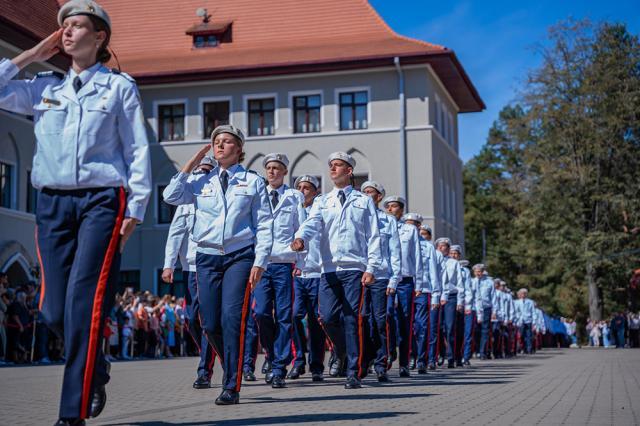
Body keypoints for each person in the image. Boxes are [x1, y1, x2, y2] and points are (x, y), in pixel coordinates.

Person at [0, 0, 152, 422]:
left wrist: (135, 209)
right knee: (52, 310)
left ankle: (72, 412)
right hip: (51, 202)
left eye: (77, 25)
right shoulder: (44, 87)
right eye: (63, 27)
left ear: (99, 36)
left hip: (102, 202)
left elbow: (136, 149)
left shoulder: (119, 88)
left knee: (85, 303)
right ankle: (95, 365)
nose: (67, 32)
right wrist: (31, 55)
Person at [163, 124, 273, 405]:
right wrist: (194, 159)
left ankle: (231, 385)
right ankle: (232, 364)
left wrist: (260, 261)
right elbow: (170, 196)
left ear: (239, 149)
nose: (220, 145)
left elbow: (264, 223)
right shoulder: (202, 182)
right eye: (216, 142)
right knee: (208, 323)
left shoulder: (252, 181)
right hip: (207, 257)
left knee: (232, 319)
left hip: (240, 255)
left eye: (226, 141)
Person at [292, 152, 381, 389]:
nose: (333, 169)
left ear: (349, 171)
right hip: (328, 269)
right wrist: (301, 237)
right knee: (327, 317)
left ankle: (353, 371)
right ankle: (341, 351)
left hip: (354, 267)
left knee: (353, 320)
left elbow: (374, 236)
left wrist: (371, 267)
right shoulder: (323, 201)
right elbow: (311, 223)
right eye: (330, 165)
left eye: (338, 165)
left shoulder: (363, 201)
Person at [162, 157, 216, 388]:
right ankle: (215, 348)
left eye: (207, 170)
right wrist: (168, 264)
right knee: (192, 319)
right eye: (199, 170)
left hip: (213, 263)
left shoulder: (217, 195)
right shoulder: (187, 197)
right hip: (190, 266)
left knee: (207, 320)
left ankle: (204, 370)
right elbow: (175, 232)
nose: (201, 174)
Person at [253, 153, 305, 388]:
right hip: (261, 264)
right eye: (269, 168)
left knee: (284, 316)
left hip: (285, 264)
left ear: (284, 172)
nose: (272, 172)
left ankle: (278, 367)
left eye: (277, 168)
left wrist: (301, 263)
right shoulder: (256, 194)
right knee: (262, 313)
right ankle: (272, 356)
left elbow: (301, 230)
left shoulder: (294, 197)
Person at [360, 181, 401, 382]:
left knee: (378, 320)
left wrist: (394, 280)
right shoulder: (356, 217)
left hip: (380, 276)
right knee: (362, 319)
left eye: (371, 193)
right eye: (364, 192)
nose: (367, 195)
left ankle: (380, 363)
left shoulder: (388, 221)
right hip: (359, 275)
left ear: (379, 197)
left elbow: (395, 252)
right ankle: (362, 361)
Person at [290, 175, 326, 382]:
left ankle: (317, 365)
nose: (303, 190)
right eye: (300, 187)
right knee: (294, 316)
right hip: (298, 273)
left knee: (316, 321)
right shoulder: (293, 212)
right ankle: (298, 360)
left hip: (318, 273)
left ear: (315, 191)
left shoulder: (320, 211)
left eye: (307, 187)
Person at [383, 199, 424, 377]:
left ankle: (404, 363)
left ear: (401, 210)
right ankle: (389, 350)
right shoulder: (381, 226)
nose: (390, 209)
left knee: (405, 321)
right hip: (386, 278)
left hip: (405, 280)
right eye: (388, 206)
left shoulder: (410, 230)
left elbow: (417, 257)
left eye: (394, 206)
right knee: (386, 314)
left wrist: (419, 283)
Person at [435, 238, 464, 368]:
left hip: (451, 297)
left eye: (446, 246)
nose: (444, 248)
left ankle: (451, 356)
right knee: (438, 327)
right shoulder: (433, 259)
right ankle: (440, 354)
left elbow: (459, 283)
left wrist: (460, 301)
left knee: (450, 327)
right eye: (441, 246)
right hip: (435, 296)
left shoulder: (454, 263)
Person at [473, 265, 496, 359]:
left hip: (486, 308)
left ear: (483, 272)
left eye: (480, 271)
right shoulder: (472, 281)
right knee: (475, 330)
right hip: (474, 308)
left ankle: (482, 352)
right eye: (476, 271)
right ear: (474, 272)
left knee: (485, 331)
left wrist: (494, 311)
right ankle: (477, 349)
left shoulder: (489, 282)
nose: (478, 273)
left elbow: (493, 297)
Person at [514, 288, 534, 354]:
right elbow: (516, 311)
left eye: (525, 293)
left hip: (528, 320)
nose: (523, 294)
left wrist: (534, 322)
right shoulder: (517, 302)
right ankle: (523, 347)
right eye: (522, 293)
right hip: (520, 321)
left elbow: (533, 312)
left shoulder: (530, 302)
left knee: (528, 335)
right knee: (521, 335)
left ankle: (529, 349)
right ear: (520, 294)